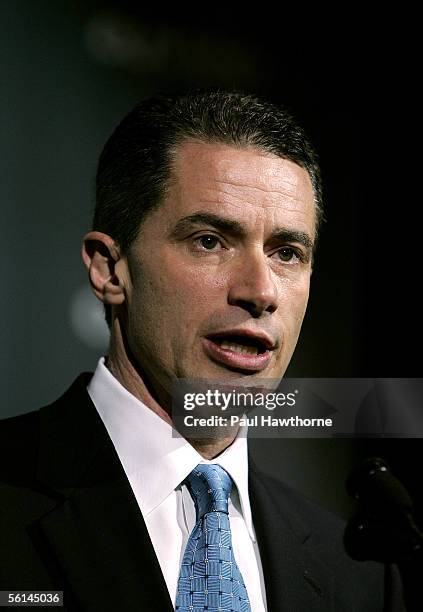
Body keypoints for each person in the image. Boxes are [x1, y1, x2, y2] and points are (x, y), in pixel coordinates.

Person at [0, 91, 404, 611]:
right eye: (210, 241)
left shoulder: (359, 575)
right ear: (109, 268)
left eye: (287, 253)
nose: (260, 291)